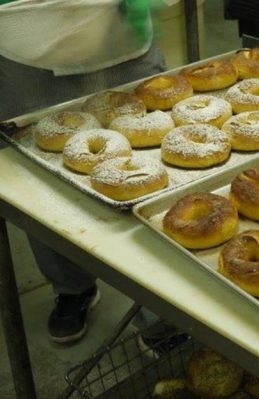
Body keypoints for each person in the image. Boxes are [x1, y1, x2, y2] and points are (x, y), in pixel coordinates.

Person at [0, 0, 174, 345]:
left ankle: (161, 301)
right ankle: (72, 288)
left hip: (121, 37)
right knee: (41, 185)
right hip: (26, 50)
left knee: (150, 173)